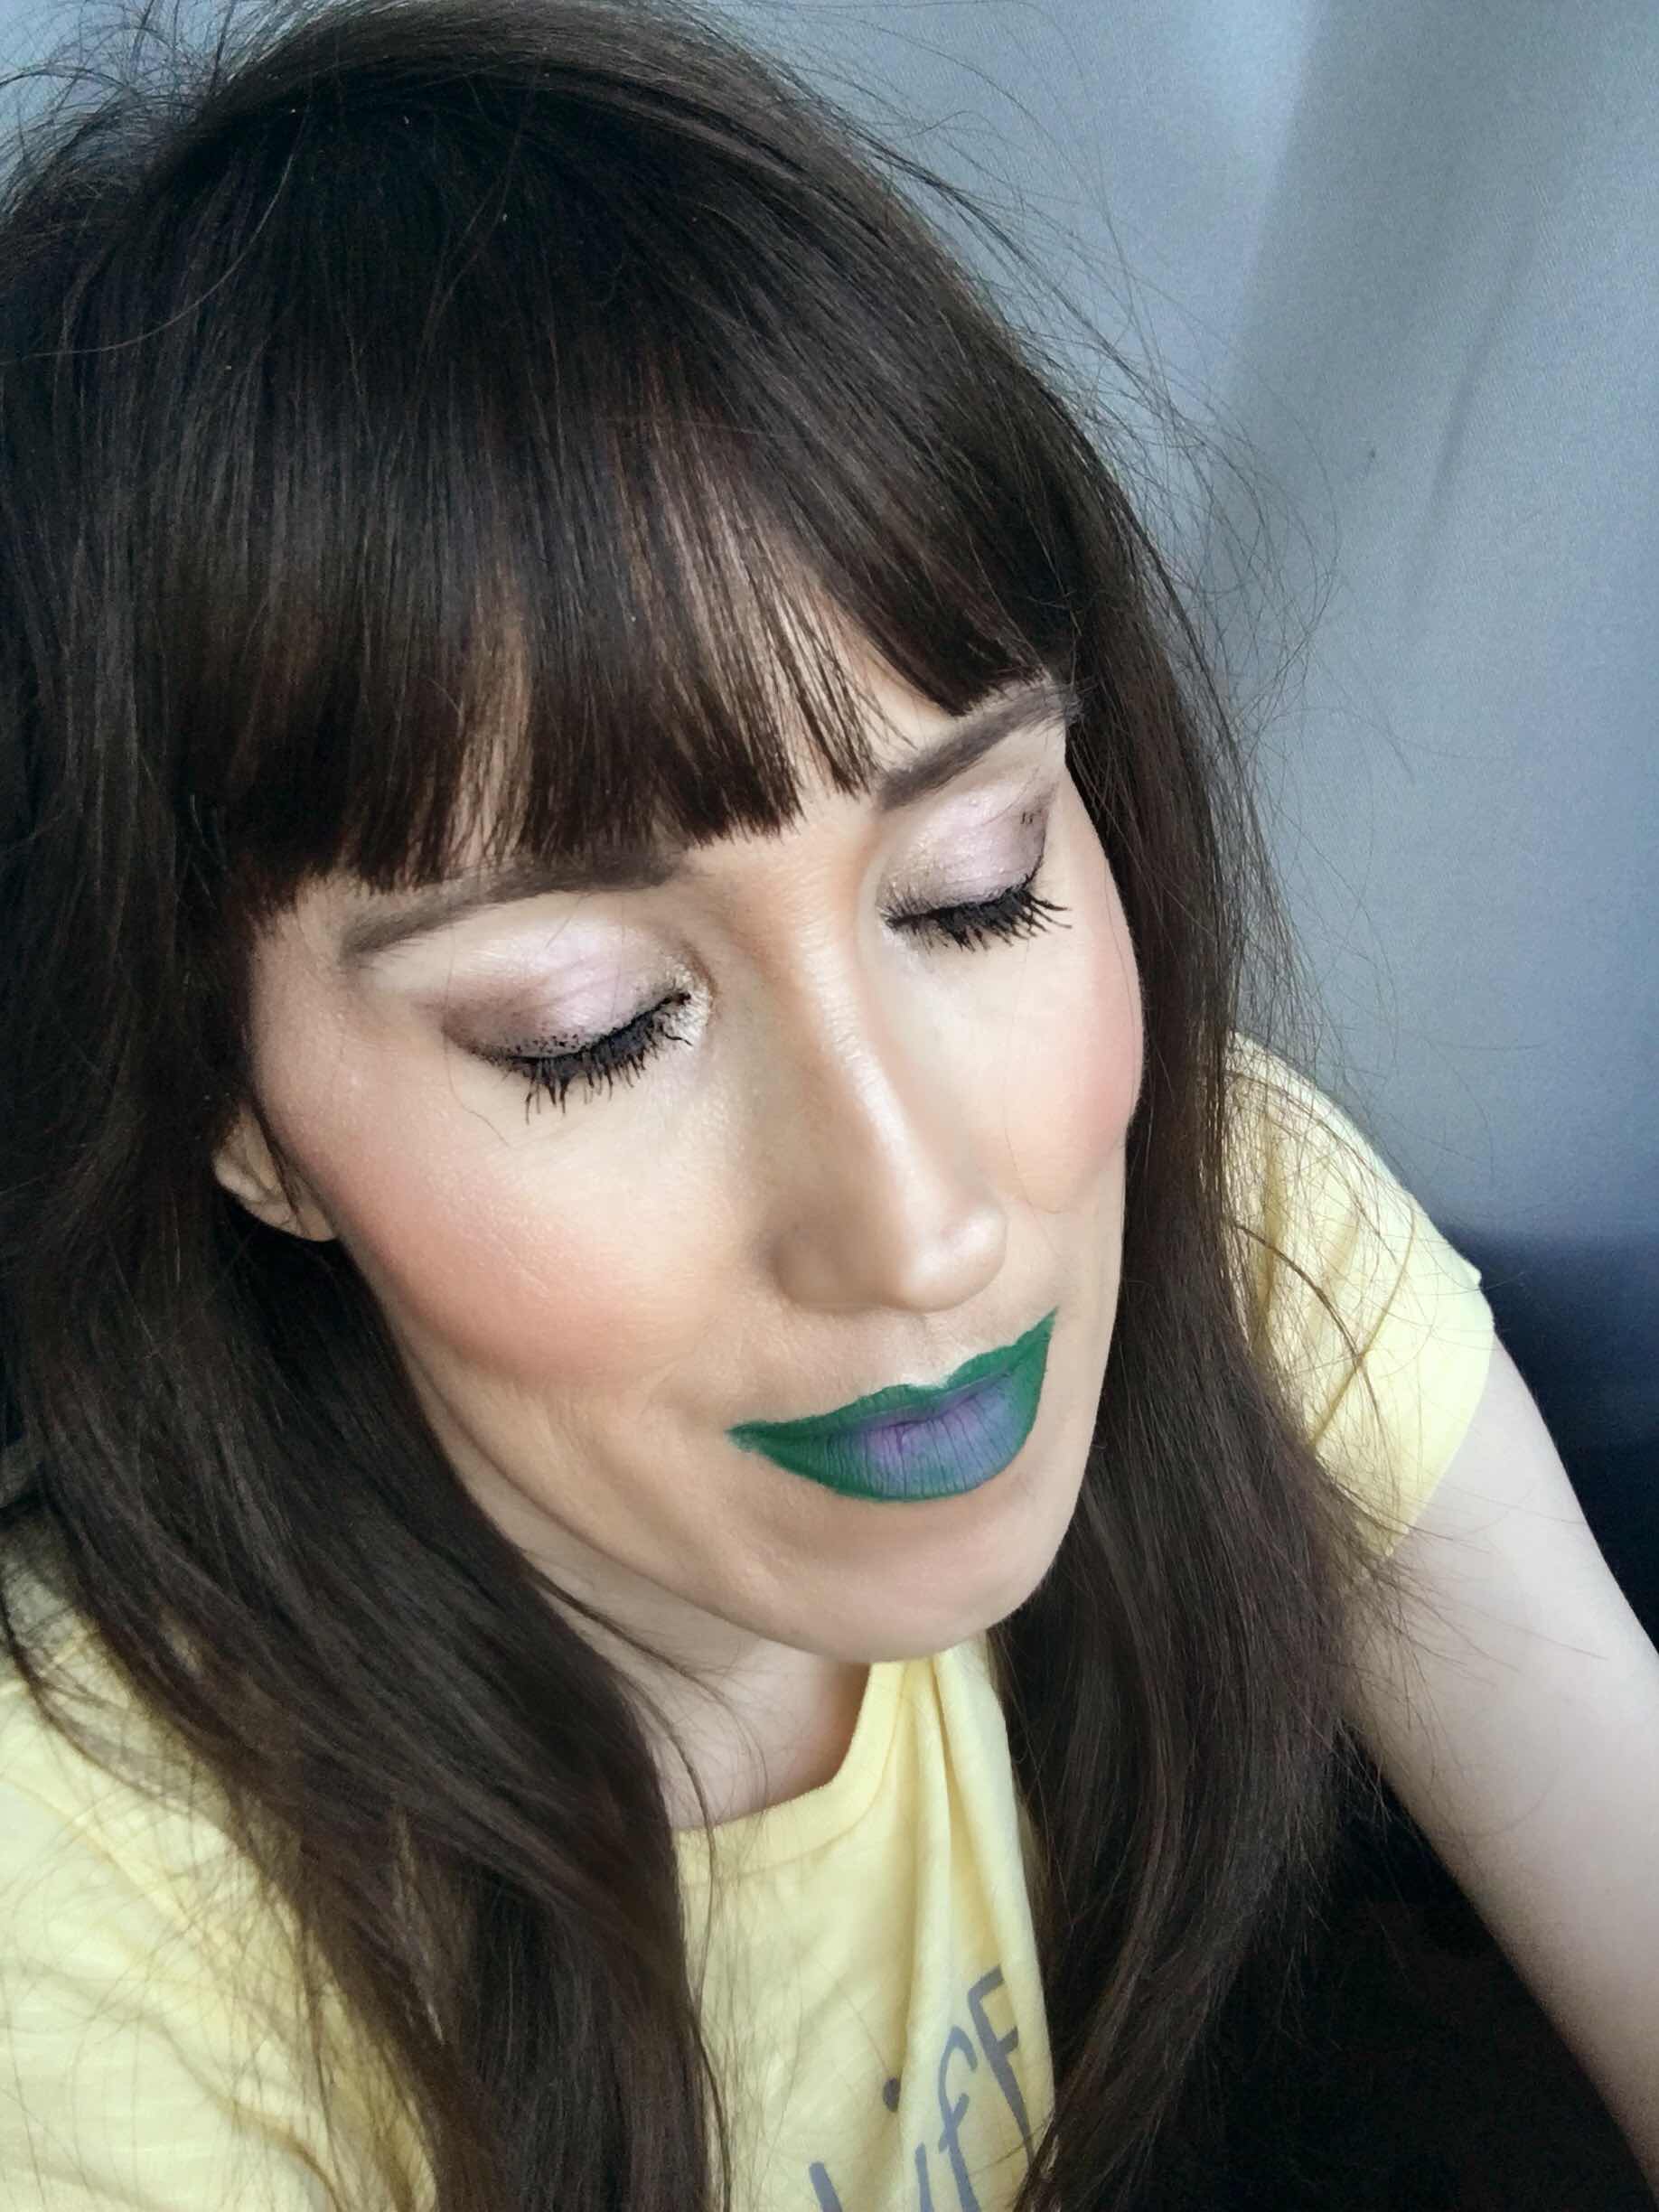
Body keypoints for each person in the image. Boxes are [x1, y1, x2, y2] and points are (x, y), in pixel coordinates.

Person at [0, 1, 1654, 2206]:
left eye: (975, 888)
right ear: (238, 1117)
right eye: (589, 1026)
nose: (926, 1222)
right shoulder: (86, 1970)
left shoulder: (1220, 1226)